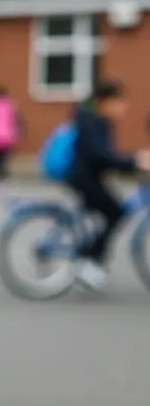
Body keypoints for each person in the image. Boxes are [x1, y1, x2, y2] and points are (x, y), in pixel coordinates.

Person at [67, 81, 150, 290]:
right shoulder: (93, 123)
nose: (124, 107)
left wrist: (132, 162)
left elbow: (108, 156)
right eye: (120, 101)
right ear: (105, 103)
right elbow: (101, 155)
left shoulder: (99, 121)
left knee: (111, 213)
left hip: (89, 177)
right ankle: (88, 260)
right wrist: (134, 162)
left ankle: (93, 258)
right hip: (83, 179)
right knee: (115, 213)